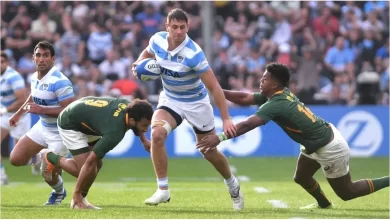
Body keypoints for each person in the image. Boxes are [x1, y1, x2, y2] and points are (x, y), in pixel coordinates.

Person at [197, 62, 389, 209]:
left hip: (329, 147)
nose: (260, 81)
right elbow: (244, 98)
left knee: (347, 192)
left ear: (273, 84)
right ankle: (325, 205)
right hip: (316, 141)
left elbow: (248, 124)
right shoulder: (276, 94)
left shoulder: (276, 103)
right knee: (302, 177)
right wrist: (216, 90)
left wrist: (219, 138)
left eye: (264, 79)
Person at [132, 8, 242, 210]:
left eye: (182, 27)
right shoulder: (157, 40)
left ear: (188, 27)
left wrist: (226, 119)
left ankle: (232, 183)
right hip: (171, 99)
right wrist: (139, 63)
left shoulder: (194, 54)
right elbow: (147, 52)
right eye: (174, 27)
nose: (178, 31)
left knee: (208, 152)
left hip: (196, 103)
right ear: (167, 27)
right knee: (156, 134)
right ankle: (163, 190)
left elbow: (215, 87)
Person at [40, 96, 154, 209]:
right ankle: (51, 157)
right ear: (131, 121)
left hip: (87, 119)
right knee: (89, 170)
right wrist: (76, 193)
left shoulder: (131, 107)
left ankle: (82, 200)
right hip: (70, 122)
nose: (146, 129)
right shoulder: (114, 132)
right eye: (144, 126)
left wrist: (144, 140)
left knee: (97, 165)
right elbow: (89, 162)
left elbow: (136, 122)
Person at [8, 41, 76, 205]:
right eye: (38, 55)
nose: (41, 59)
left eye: (46, 55)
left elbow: (70, 110)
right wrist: (18, 114)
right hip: (43, 127)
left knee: (48, 174)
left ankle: (58, 193)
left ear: (53, 59)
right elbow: (33, 96)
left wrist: (42, 110)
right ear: (33, 58)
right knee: (15, 159)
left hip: (60, 133)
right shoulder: (34, 77)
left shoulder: (60, 81)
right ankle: (41, 158)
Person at [0, 51, 31, 185]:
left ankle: (37, 161)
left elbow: (22, 100)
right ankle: (2, 176)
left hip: (20, 116)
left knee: (19, 158)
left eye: (2, 62)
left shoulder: (14, 77)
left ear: (7, 63)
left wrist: (4, 109)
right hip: (4, 115)